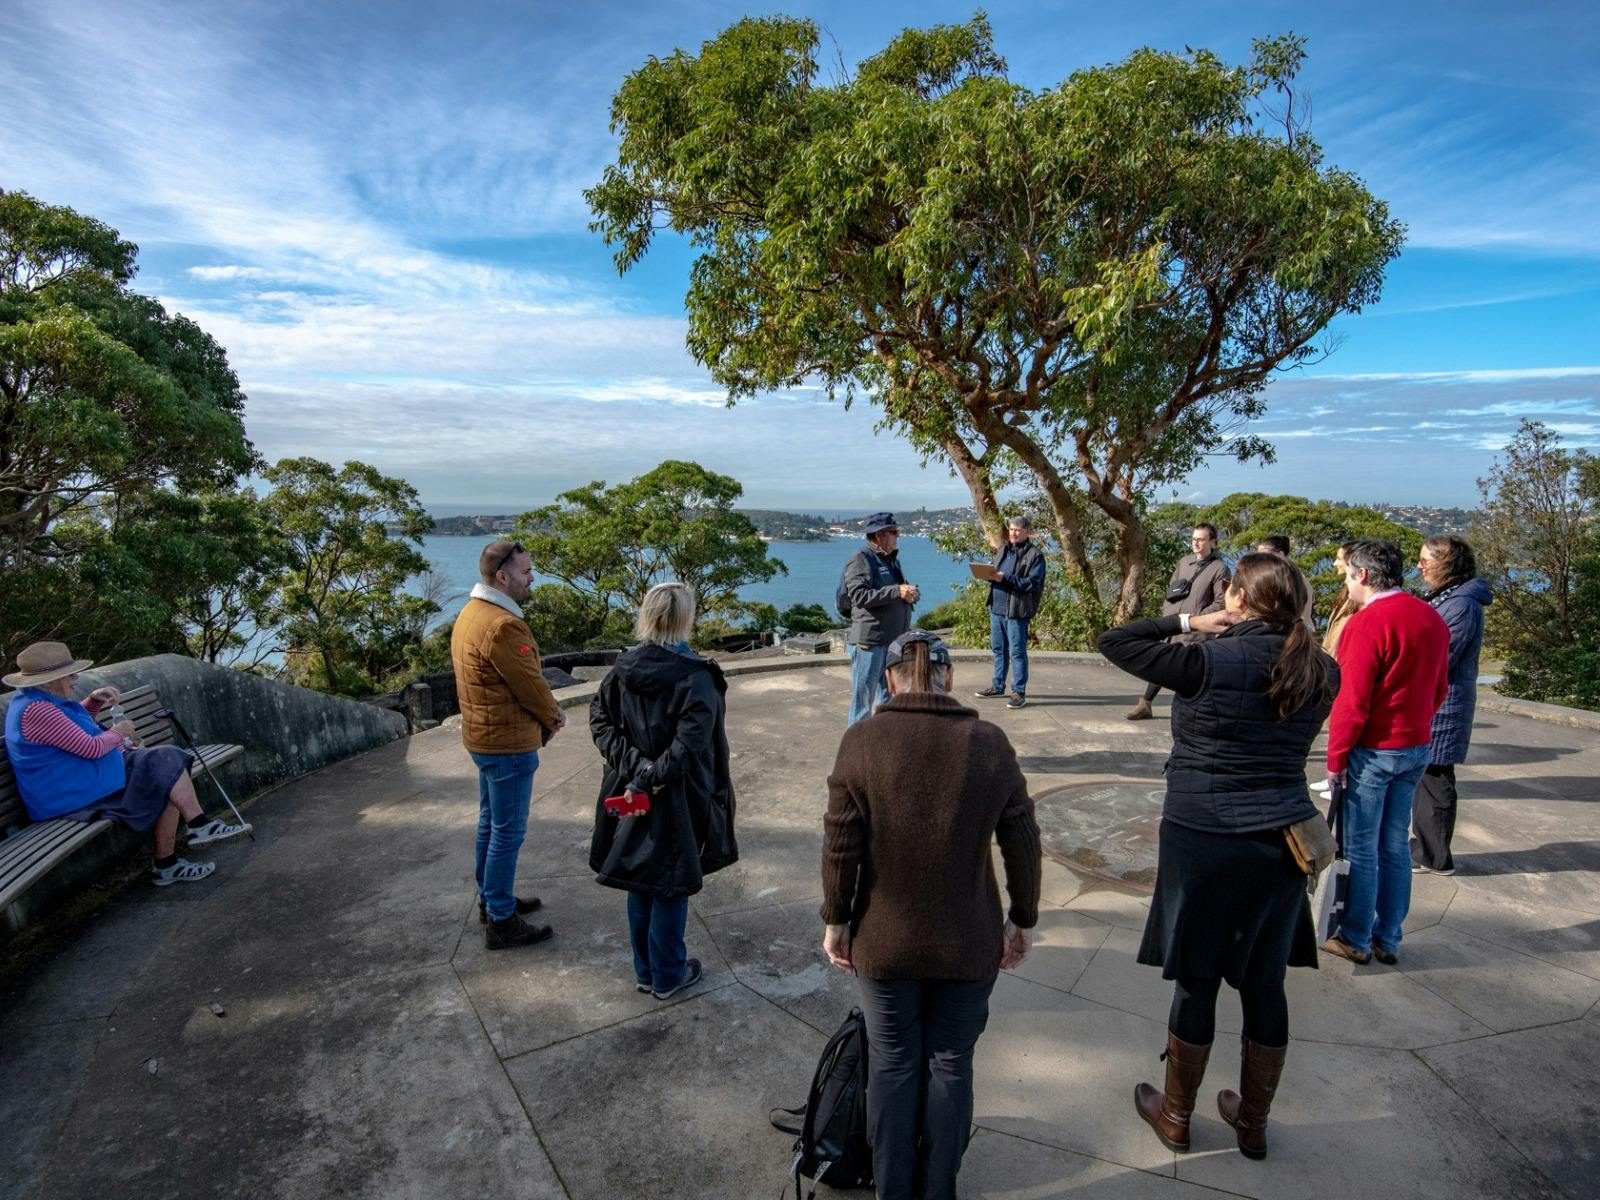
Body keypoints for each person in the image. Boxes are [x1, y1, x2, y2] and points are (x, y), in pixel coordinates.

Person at [1098, 554, 1339, 1161]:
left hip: (1202, 834)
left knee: (1198, 978)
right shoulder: (1323, 670)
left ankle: (1177, 1116)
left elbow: (1115, 640)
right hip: (1281, 839)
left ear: (1236, 597)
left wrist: (1188, 623)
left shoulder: (1208, 659)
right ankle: (1252, 1123)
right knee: (1265, 982)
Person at [820, 630, 1039, 1200]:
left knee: (892, 1066)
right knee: (950, 1063)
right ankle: (939, 1189)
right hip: (969, 941)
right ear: (948, 676)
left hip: (884, 942)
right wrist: (1023, 918)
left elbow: (840, 845)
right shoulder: (988, 741)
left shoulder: (861, 741)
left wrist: (836, 919)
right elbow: (1022, 838)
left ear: (888, 677)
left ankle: (893, 1190)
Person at [589, 582, 738, 999]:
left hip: (630, 790)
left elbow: (601, 724)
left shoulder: (621, 670)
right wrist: (652, 774)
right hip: (677, 795)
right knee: (671, 882)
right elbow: (690, 746)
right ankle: (669, 973)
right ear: (685, 619)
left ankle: (647, 969)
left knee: (639, 877)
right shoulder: (696, 677)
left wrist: (637, 771)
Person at [3, 641, 250, 886]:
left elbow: (66, 728)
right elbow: (91, 747)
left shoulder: (35, 701)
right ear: (48, 681)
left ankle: (176, 854)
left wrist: (93, 702)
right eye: (68, 675)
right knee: (166, 763)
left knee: (166, 770)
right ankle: (193, 832)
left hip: (82, 782)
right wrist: (119, 732)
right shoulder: (36, 710)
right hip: (71, 797)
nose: (75, 678)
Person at [1322, 539, 1449, 966]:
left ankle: (1356, 936)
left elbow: (1351, 702)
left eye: (1346, 574)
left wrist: (1336, 758)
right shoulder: (1430, 618)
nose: (1346, 581)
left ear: (1362, 575)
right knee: (1394, 845)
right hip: (1415, 746)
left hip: (1374, 750)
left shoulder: (1366, 624)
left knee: (1361, 848)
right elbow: (1438, 688)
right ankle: (1388, 937)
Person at [451, 540, 565, 950]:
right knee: (507, 832)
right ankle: (500, 920)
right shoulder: (503, 624)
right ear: (502, 577)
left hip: (483, 737)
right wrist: (553, 716)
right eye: (525, 571)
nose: (531, 577)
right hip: (506, 744)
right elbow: (529, 683)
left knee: (490, 824)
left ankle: (492, 899)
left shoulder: (471, 614)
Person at [1412, 535, 1492, 876]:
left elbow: (1442, 655)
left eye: (1425, 560)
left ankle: (1434, 855)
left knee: (1436, 775)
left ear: (1447, 563)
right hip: (1436, 700)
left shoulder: (1461, 605)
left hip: (1445, 705)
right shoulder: (1448, 598)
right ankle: (1427, 847)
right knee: (1428, 776)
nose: (1419, 566)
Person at [1125, 524, 1230, 720]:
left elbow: (1221, 601)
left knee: (1189, 670)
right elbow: (1172, 591)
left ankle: (1195, 710)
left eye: (1201, 539)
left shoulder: (1220, 569)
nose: (1196, 543)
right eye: (1193, 539)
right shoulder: (1185, 562)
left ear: (1212, 542)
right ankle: (1145, 703)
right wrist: (1169, 615)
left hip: (1197, 630)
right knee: (1161, 664)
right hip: (1173, 625)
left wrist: (1197, 619)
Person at [842, 512, 919, 726]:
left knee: (888, 700)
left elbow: (893, 592)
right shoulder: (861, 559)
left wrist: (909, 594)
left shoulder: (890, 559)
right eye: (894, 532)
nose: (898, 536)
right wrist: (896, 591)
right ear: (879, 535)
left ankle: (883, 745)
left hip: (892, 641)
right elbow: (859, 596)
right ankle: (856, 750)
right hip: (870, 642)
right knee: (863, 702)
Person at [973, 515, 1047, 709]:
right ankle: (997, 686)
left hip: (1016, 612)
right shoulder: (1004, 549)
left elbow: (1032, 583)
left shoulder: (1035, 556)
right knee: (998, 649)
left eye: (1017, 530)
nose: (1013, 533)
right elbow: (997, 574)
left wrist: (1004, 578)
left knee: (1017, 652)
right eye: (1011, 529)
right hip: (996, 609)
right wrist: (989, 575)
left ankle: (1018, 692)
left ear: (1027, 532)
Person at [1254, 535, 1316, 627]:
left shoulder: (1290, 579)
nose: (1260, 559)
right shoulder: (1292, 575)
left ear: (1281, 554)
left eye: (1264, 554)